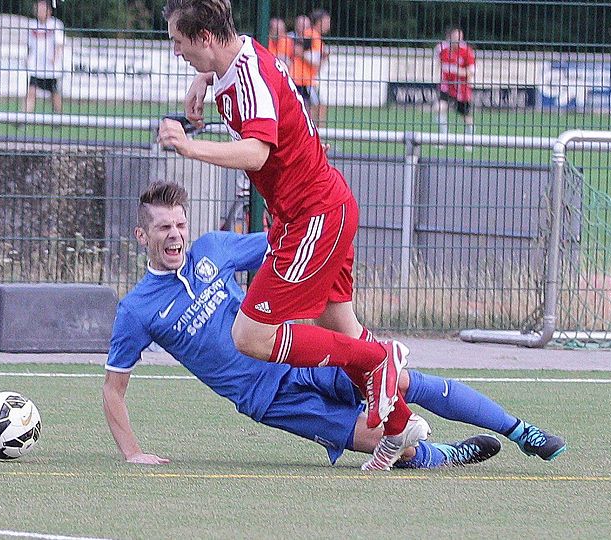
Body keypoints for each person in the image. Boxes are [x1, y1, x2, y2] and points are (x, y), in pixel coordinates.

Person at [102, 181, 567, 469]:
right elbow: (113, 389)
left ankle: (520, 430)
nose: (176, 235)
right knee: (384, 441)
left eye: (180, 225)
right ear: (143, 236)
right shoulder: (137, 310)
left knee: (399, 380)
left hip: (297, 352)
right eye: (164, 228)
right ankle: (445, 455)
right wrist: (132, 452)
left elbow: (283, 243)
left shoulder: (214, 249)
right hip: (270, 399)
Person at [156, 0, 419, 471]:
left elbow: (257, 153)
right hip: (316, 211)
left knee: (250, 336)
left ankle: (382, 356)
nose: (175, 51)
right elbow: (234, 70)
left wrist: (187, 146)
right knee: (337, 327)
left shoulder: (249, 75)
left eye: (179, 41)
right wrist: (202, 80)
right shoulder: (238, 60)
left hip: (313, 217)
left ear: (204, 38)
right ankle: (399, 425)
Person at [435, 28, 476, 151]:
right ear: (449, 38)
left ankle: (470, 140)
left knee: (466, 117)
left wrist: (458, 71)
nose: (457, 41)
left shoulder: (467, 51)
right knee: (438, 108)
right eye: (455, 38)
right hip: (447, 87)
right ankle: (443, 138)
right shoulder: (441, 49)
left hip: (462, 89)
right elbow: (438, 64)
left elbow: (471, 72)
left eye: (460, 38)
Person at [24, 0, 65, 114]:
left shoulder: (55, 24)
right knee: (31, 91)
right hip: (36, 65)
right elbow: (29, 45)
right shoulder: (32, 25)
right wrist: (28, 58)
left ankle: (58, 115)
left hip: (50, 67)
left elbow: (59, 44)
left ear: (49, 11)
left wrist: (55, 57)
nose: (39, 12)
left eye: (41, 9)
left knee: (54, 93)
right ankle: (25, 117)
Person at [287, 14, 326, 126]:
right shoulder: (290, 38)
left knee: (315, 105)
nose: (303, 28)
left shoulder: (311, 38)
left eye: (305, 25)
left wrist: (303, 54)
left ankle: (314, 130)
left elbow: (316, 59)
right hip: (296, 78)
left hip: (306, 79)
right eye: (300, 25)